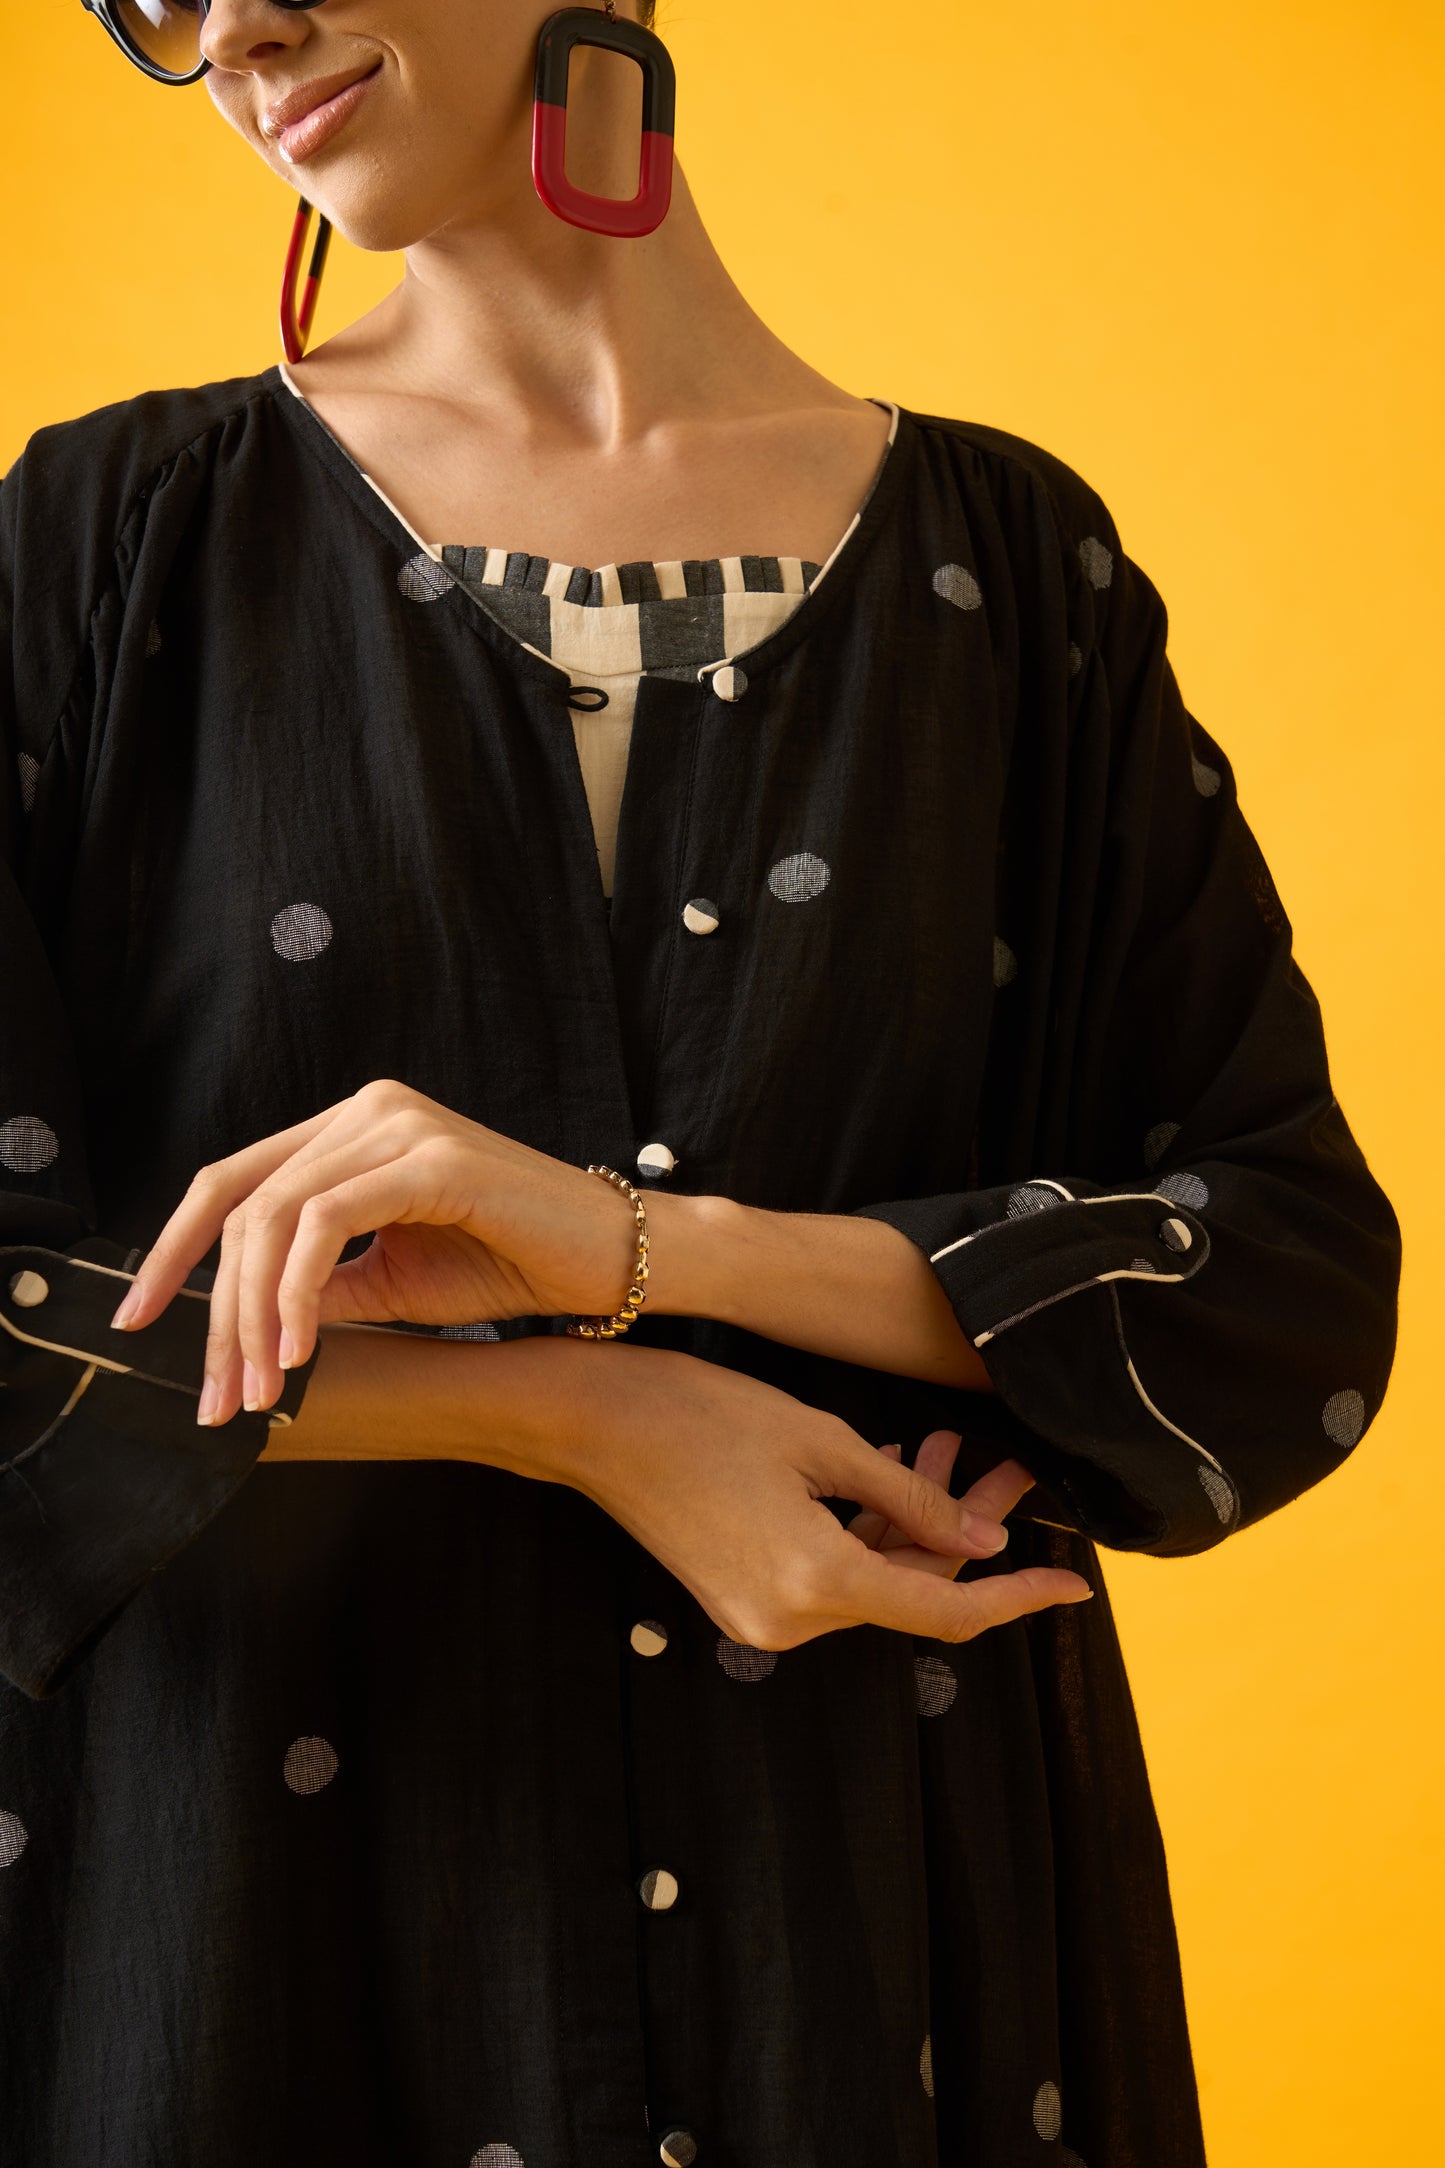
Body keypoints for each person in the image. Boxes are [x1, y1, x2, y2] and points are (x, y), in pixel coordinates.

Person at [0, 3, 1402, 2164]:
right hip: (253, 1963)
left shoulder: (1024, 577)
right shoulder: (104, 550)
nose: (226, 28)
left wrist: (646, 1246)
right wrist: (580, 1405)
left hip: (882, 1957)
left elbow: (1288, 1282)